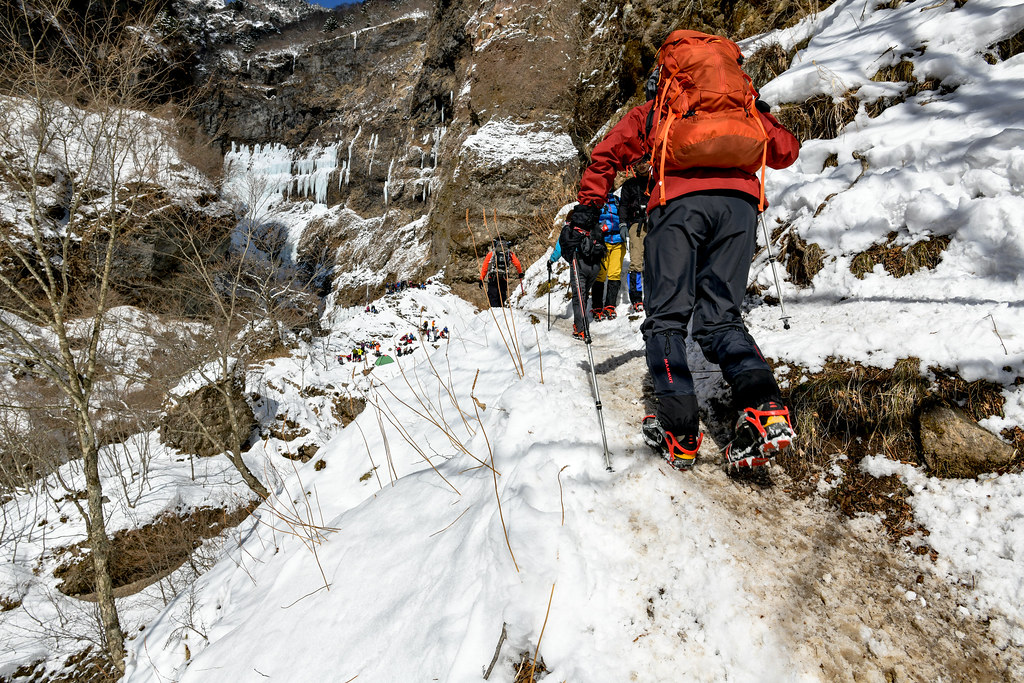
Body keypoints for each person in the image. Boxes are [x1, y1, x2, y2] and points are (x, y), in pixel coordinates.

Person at [561, 29, 800, 471]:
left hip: (678, 206)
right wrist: (757, 112)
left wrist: (588, 210)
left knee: (667, 319)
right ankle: (766, 408)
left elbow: (605, 156)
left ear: (669, 76)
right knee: (722, 318)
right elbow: (785, 152)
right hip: (741, 207)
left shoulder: (659, 111)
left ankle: (681, 432)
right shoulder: (742, 108)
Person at [553, 219, 605, 340]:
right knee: (584, 294)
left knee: (578, 297)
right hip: (595, 265)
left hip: (579, 264)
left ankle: (581, 329)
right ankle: (581, 323)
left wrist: (551, 260)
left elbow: (559, 247)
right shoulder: (591, 225)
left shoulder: (571, 230)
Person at [590, 192, 625, 321]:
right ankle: (597, 307)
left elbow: (624, 214)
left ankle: (610, 306)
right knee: (601, 274)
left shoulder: (617, 200)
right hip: (602, 242)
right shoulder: (596, 200)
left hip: (618, 241)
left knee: (615, 273)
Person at [620, 170, 650, 313]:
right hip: (636, 224)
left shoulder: (656, 180)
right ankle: (636, 299)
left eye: (645, 160)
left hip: (655, 224)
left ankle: (653, 295)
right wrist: (622, 224)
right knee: (636, 262)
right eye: (638, 162)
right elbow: (623, 206)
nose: (642, 164)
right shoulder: (629, 185)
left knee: (655, 263)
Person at [478, 238, 524, 307]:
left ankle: (495, 314)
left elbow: (485, 266)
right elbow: (517, 263)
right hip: (503, 277)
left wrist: (481, 278)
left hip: (492, 277)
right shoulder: (508, 253)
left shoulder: (492, 253)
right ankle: (502, 314)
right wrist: (520, 273)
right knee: (502, 298)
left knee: (493, 297)